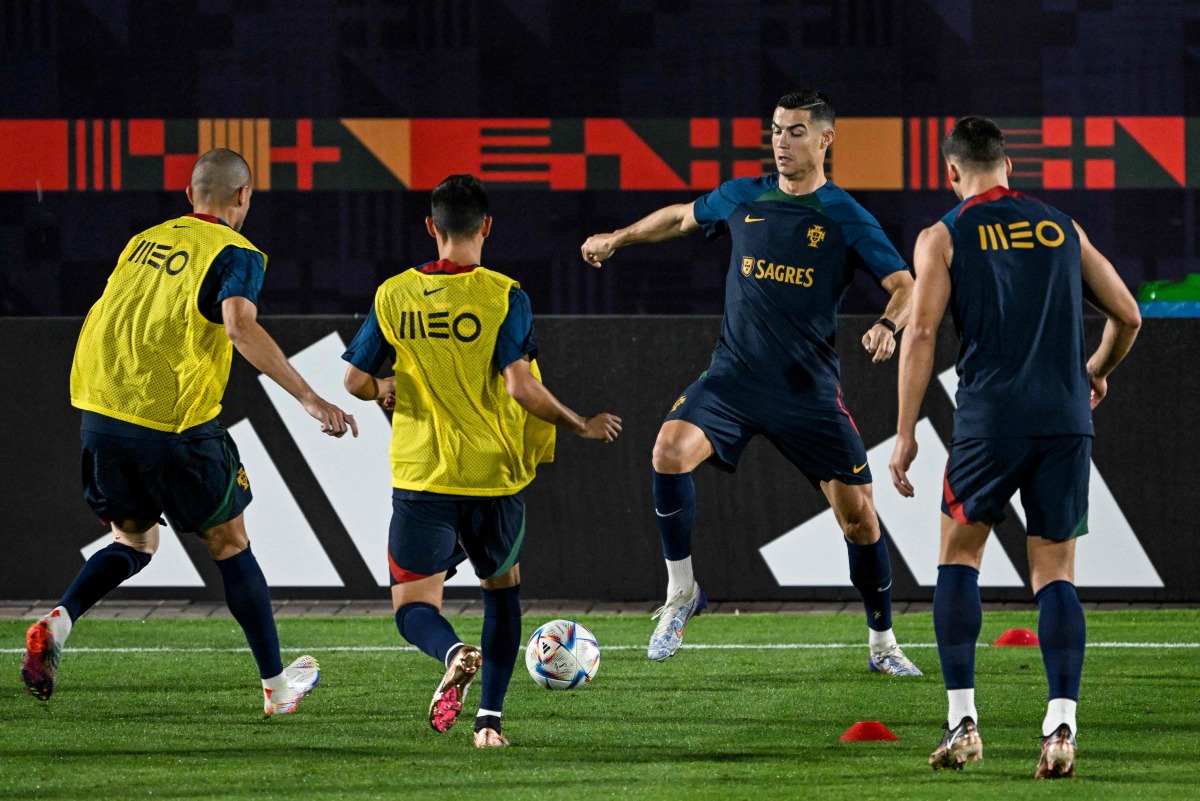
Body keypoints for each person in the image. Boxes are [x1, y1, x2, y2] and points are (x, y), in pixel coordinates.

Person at [581, 90, 922, 675]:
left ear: (824, 139)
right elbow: (682, 217)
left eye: (794, 132)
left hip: (807, 391)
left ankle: (883, 644)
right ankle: (682, 592)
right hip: (733, 378)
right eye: (775, 130)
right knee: (667, 450)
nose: (781, 142)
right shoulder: (744, 195)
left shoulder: (844, 215)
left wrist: (889, 326)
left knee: (859, 519)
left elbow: (906, 284)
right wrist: (619, 237)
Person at [22, 148, 358, 714]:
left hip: (103, 414)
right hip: (174, 426)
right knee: (229, 545)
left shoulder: (144, 239)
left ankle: (59, 621)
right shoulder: (236, 251)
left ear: (188, 196)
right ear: (243, 197)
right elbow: (239, 326)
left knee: (135, 540)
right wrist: (309, 397)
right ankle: (278, 692)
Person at [889, 117, 1141, 778]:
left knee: (959, 556)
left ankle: (963, 722)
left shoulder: (942, 236)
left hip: (987, 422)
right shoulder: (1062, 227)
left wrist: (908, 430)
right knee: (1055, 574)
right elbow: (1129, 314)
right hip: (1064, 420)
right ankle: (1061, 725)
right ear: (1008, 167)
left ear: (951, 172)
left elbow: (919, 334)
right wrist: (1094, 370)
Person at [342, 174, 621, 749]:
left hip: (423, 476)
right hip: (493, 477)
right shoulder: (503, 294)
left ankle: (451, 652)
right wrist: (580, 424)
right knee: (502, 592)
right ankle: (489, 722)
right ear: (487, 227)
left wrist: (386, 385)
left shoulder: (394, 294)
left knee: (412, 608)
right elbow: (520, 387)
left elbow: (354, 381)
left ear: (431, 228)